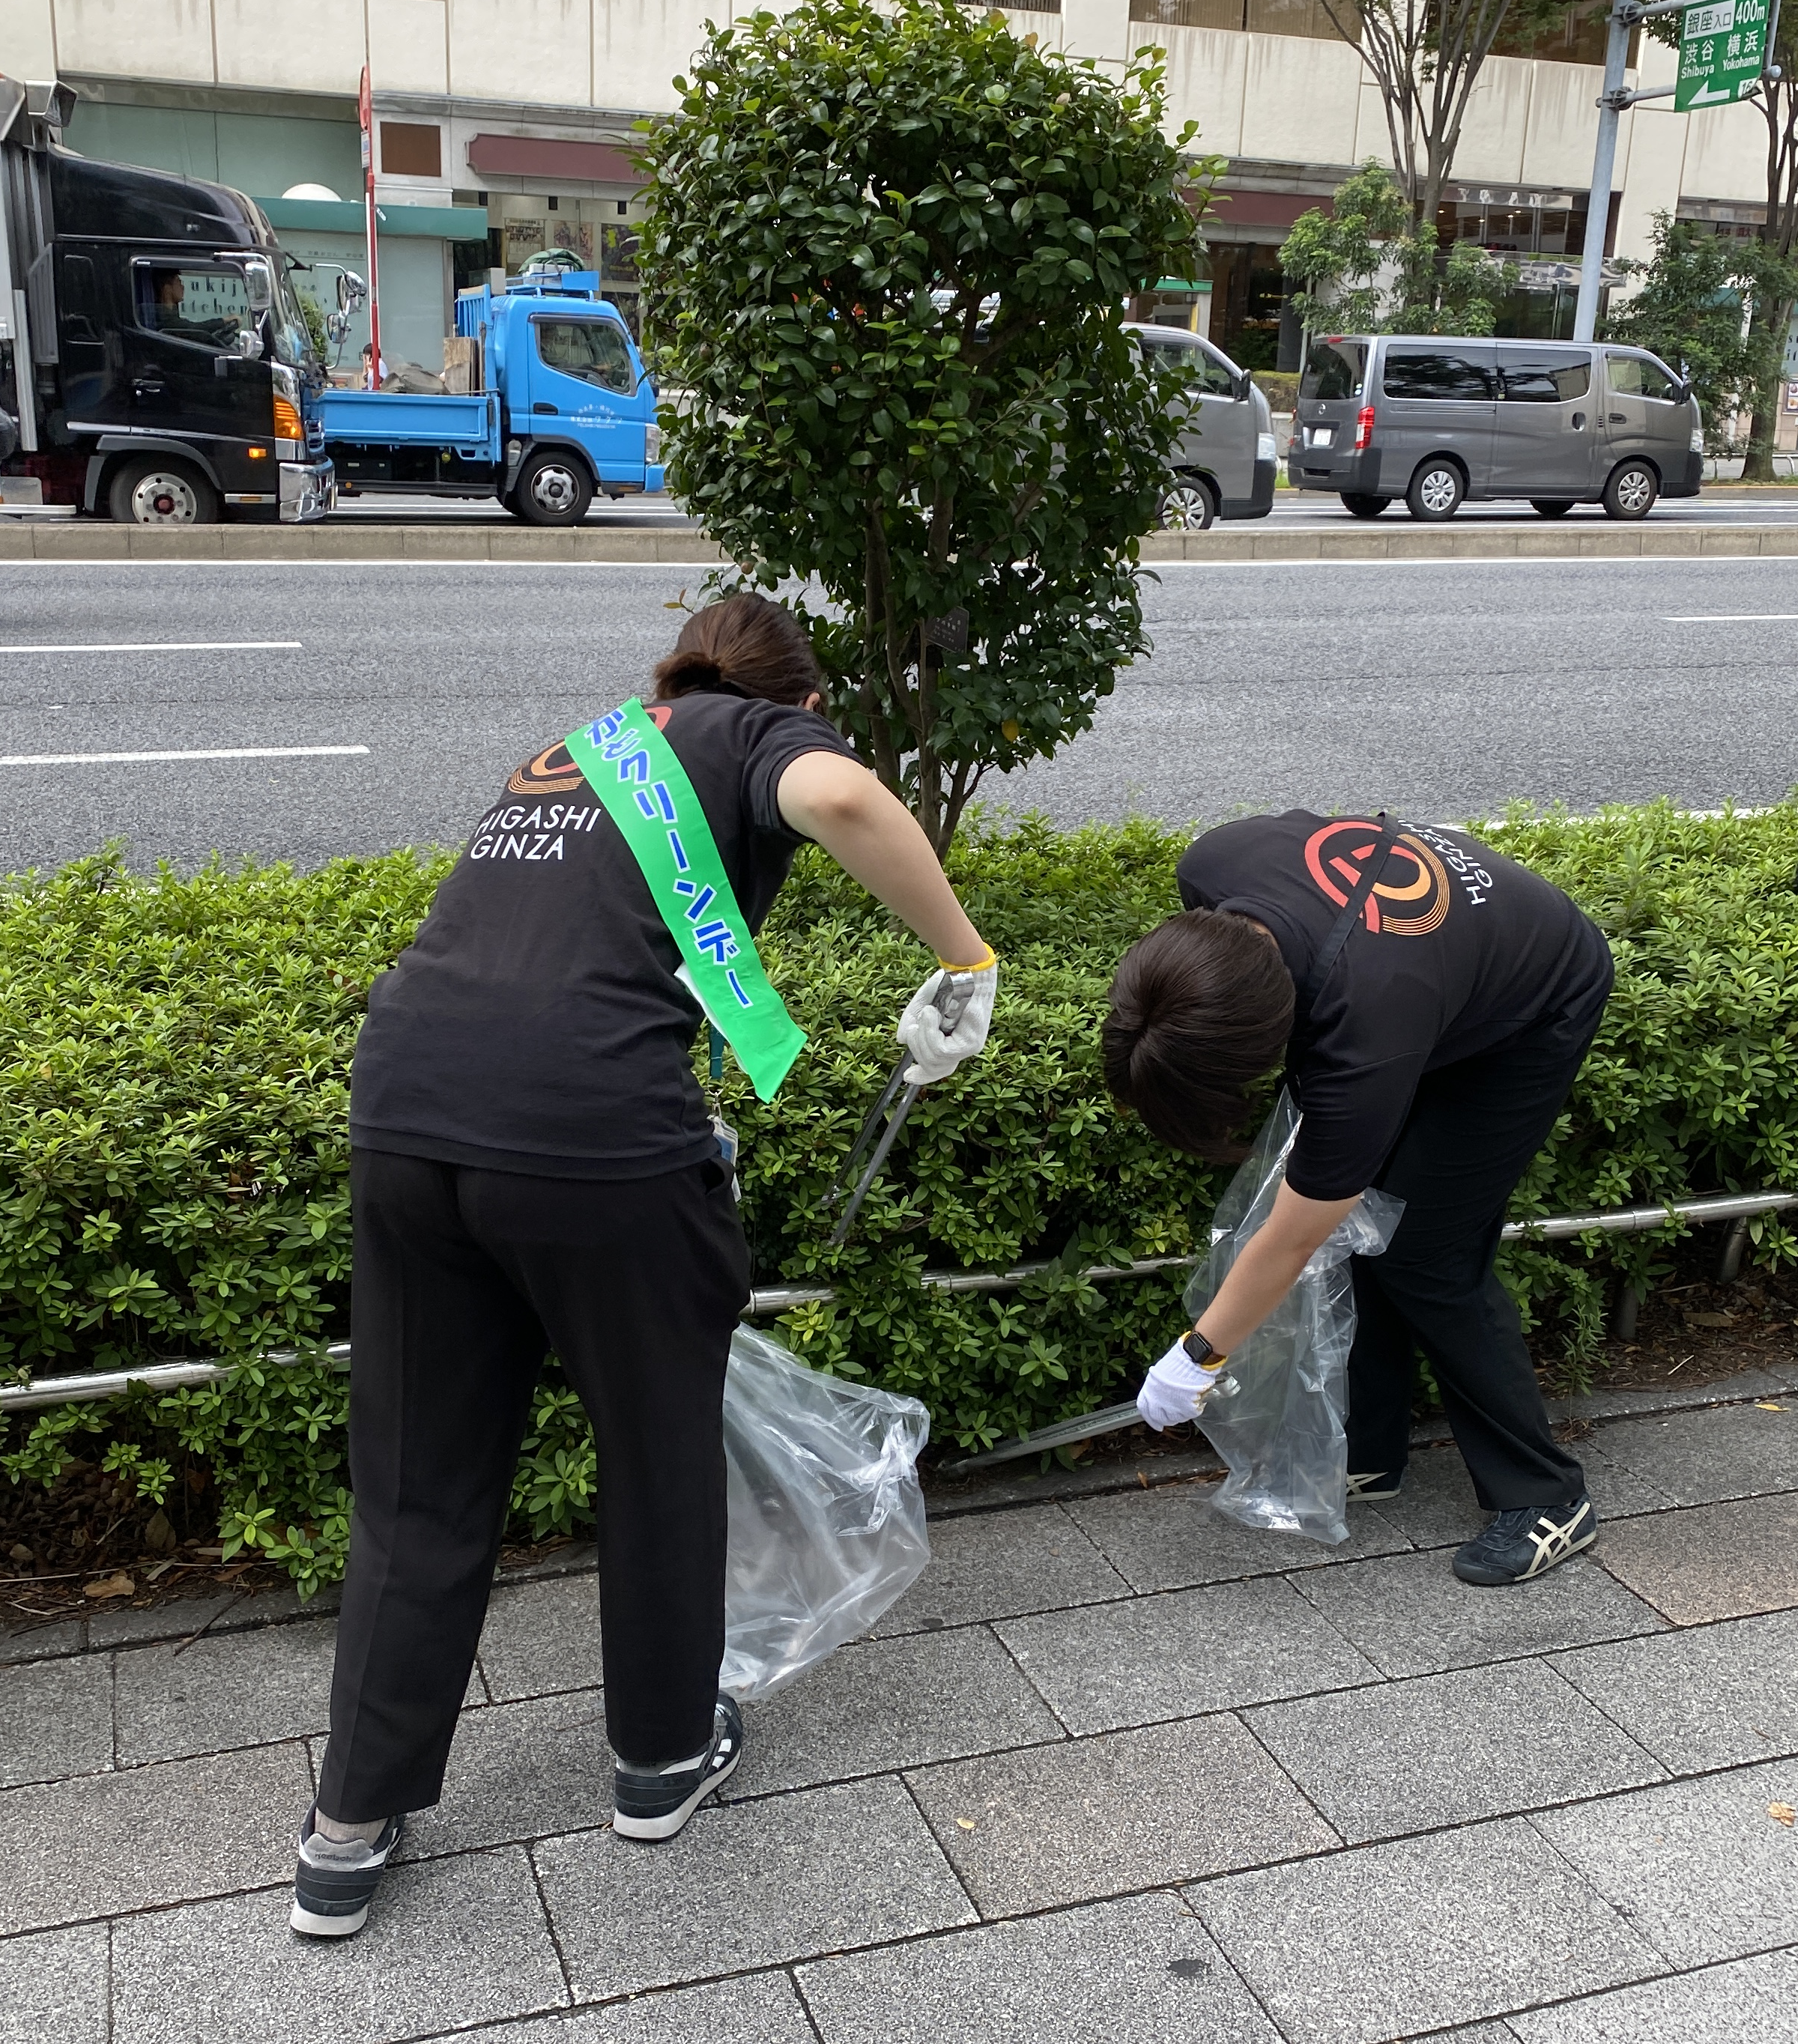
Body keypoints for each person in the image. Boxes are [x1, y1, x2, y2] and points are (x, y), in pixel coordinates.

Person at [291, 595, 996, 1938]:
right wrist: (967, 957)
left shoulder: (596, 743)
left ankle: (346, 1830)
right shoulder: (755, 737)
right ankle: (663, 1760)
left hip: (405, 1112)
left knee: (416, 1481)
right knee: (659, 1451)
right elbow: (844, 800)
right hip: (593, 1133)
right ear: (794, 694)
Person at [1103, 810, 1612, 1586]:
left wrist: (1197, 1355)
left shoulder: (1363, 1035)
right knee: (1370, 1228)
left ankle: (1547, 1496)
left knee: (1427, 1251)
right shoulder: (1215, 864)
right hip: (1435, 973)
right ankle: (1371, 1451)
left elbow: (1293, 1237)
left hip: (1534, 1000)